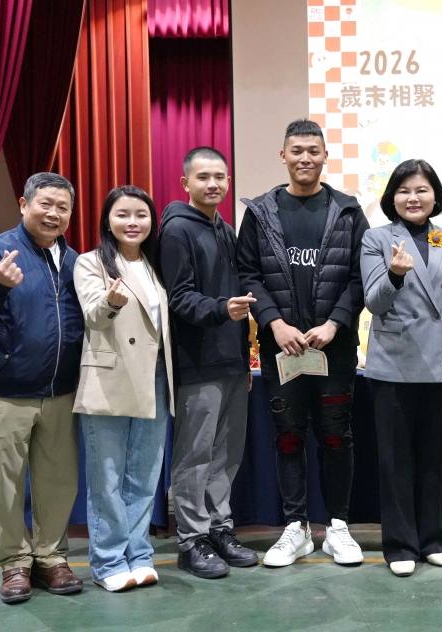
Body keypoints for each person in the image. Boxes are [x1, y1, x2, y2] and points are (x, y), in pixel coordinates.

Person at [238, 119, 369, 567]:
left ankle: (338, 527)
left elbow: (361, 276)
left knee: (336, 436)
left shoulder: (348, 211)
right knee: (289, 436)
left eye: (314, 151)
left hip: (335, 349)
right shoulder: (260, 212)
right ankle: (296, 527)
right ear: (283, 156)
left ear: (325, 156)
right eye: (297, 150)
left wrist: (335, 323)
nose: (305, 158)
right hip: (282, 350)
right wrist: (273, 323)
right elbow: (247, 272)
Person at [0, 173, 84, 604]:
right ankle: (14, 564)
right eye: (45, 204)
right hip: (2, 393)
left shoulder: (75, 262)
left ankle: (51, 558)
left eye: (63, 207)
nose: (53, 213)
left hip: (61, 393)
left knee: (58, 482)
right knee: (5, 488)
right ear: (24, 204)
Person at [360, 159, 442, 577]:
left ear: (435, 196)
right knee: (395, 462)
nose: (413, 198)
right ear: (392, 197)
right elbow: (374, 302)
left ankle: (434, 541)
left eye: (422, 189)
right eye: (404, 190)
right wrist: (394, 274)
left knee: (434, 459)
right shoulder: (376, 238)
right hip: (394, 363)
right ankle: (400, 546)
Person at [158, 147, 258, 579]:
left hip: (231, 362)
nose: (213, 184)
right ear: (186, 183)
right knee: (194, 455)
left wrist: (243, 361)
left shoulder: (224, 229)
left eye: (220, 176)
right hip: (197, 362)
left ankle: (219, 529)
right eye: (203, 177)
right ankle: (191, 540)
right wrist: (221, 310)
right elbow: (178, 297)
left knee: (225, 456)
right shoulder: (177, 229)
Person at [73, 186, 174, 592]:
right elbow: (93, 316)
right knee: (107, 477)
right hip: (110, 377)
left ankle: (140, 555)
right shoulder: (90, 262)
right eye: (122, 214)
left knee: (144, 475)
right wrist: (111, 302)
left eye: (141, 215)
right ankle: (108, 561)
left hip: (156, 377)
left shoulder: (156, 263)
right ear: (107, 221)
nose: (133, 222)